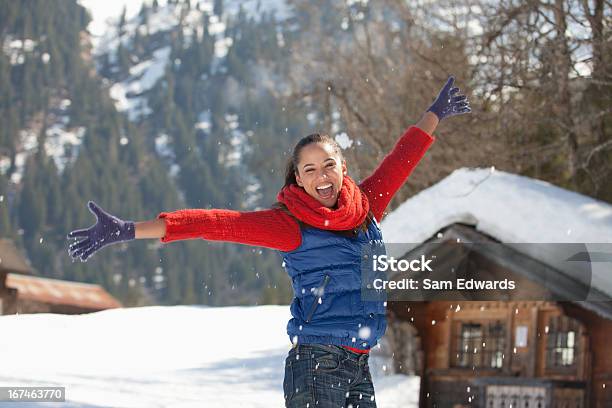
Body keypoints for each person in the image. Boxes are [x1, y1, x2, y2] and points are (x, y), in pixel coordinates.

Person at [67, 76, 470, 407]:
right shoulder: (289, 225)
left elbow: (402, 159)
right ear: (297, 179)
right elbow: (217, 223)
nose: (321, 175)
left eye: (328, 164)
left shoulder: (364, 207)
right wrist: (129, 229)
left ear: (342, 167)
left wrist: (435, 113)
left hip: (358, 363)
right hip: (316, 366)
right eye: (309, 169)